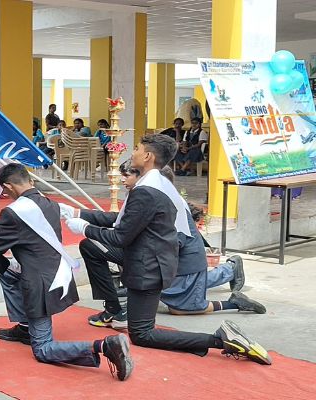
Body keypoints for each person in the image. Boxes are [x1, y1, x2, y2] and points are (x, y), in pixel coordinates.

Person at [63, 134, 271, 365]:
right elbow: (126, 221)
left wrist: (85, 228)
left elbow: (120, 236)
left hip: (147, 267)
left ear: (148, 156)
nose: (133, 152)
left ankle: (221, 340)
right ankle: (220, 338)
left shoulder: (146, 191)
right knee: (145, 328)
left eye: (137, 148)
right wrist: (78, 214)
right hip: (156, 264)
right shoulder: (160, 185)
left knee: (142, 334)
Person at [0, 163, 133, 381]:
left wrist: (10, 264)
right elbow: (33, 235)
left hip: (39, 286)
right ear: (31, 181)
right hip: (60, 275)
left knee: (42, 349)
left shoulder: (12, 213)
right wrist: (1, 228)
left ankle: (104, 346)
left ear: (8, 187)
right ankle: (25, 326)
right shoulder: (51, 205)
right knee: (11, 270)